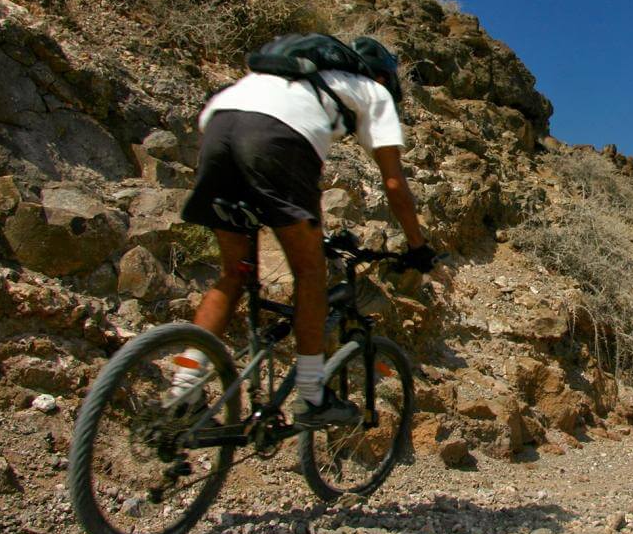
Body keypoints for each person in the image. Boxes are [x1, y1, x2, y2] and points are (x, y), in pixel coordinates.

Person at [171, 34, 437, 428]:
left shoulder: (295, 76)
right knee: (310, 274)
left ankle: (183, 389)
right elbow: (394, 183)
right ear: (385, 79)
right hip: (276, 138)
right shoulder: (372, 91)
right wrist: (418, 246)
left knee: (233, 273)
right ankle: (312, 396)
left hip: (218, 122)